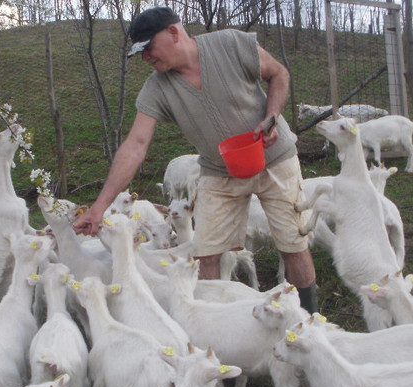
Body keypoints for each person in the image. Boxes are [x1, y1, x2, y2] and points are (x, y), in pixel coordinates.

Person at [72, 6, 318, 313]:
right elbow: (135, 146)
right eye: (140, 53)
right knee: (206, 253)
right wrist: (99, 208)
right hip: (219, 170)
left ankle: (311, 321)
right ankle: (212, 327)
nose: (146, 58)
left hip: (275, 159)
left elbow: (279, 72)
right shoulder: (156, 88)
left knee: (293, 246)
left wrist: (272, 116)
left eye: (148, 48)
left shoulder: (230, 43)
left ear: (174, 33)